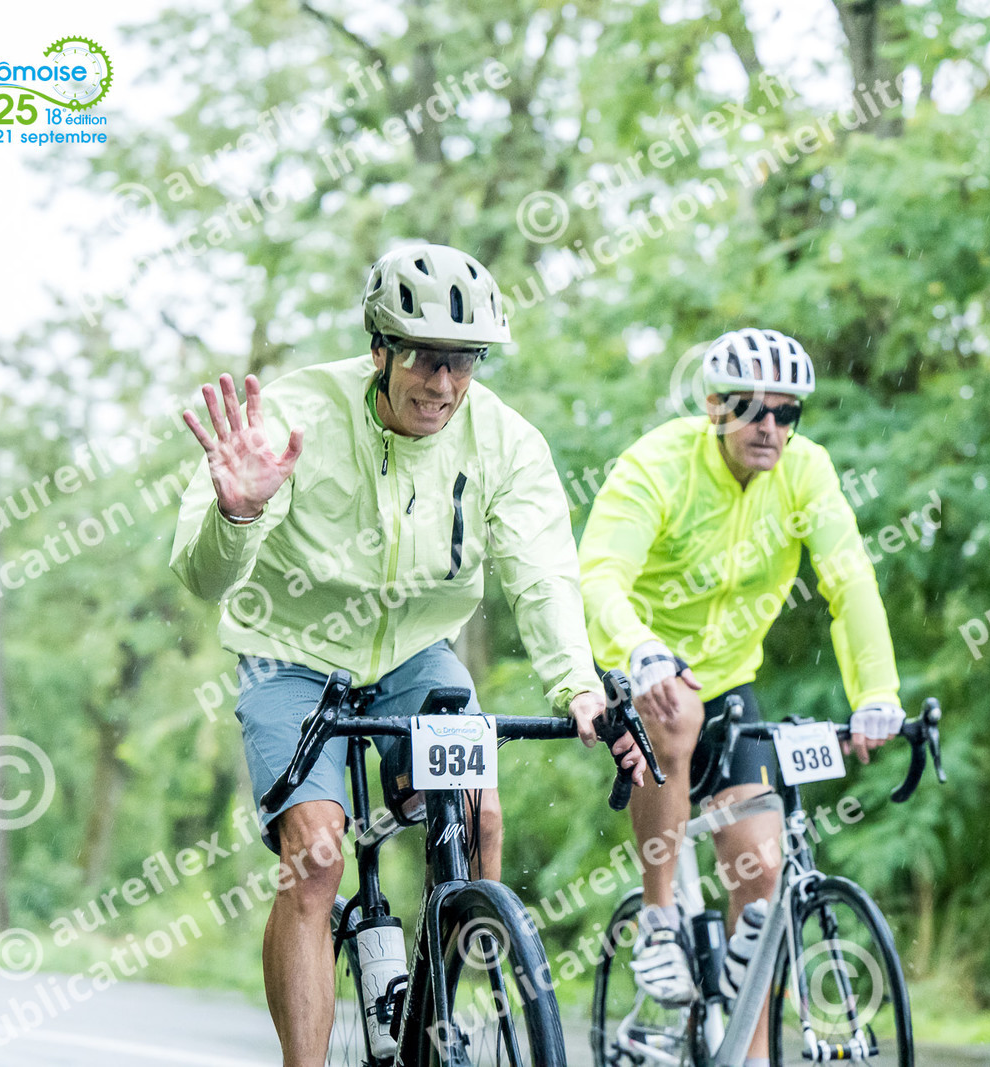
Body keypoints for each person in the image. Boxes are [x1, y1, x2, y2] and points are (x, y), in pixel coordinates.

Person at [170, 241, 645, 1067]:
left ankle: (434, 1018)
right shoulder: (294, 416)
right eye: (426, 357)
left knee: (480, 815)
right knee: (317, 857)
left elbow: (542, 574)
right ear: (380, 349)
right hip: (290, 652)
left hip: (417, 652)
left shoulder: (505, 442)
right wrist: (237, 515)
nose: (445, 383)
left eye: (465, 360)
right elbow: (203, 577)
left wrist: (578, 685)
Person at [577, 327, 905, 1063]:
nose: (770, 427)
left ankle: (748, 1057)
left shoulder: (806, 471)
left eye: (787, 414)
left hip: (730, 678)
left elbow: (849, 580)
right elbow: (598, 575)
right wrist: (639, 649)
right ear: (715, 407)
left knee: (760, 871)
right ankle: (659, 919)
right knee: (675, 712)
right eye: (753, 409)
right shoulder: (659, 464)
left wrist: (877, 690)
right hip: (639, 659)